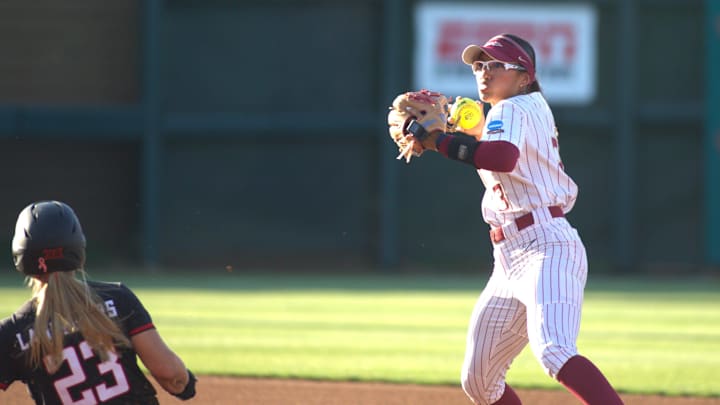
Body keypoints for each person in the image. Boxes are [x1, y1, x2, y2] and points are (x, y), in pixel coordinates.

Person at [405, 34, 624, 405]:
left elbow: (502, 158)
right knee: (479, 381)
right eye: (479, 65)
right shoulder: (513, 111)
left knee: (555, 351)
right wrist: (465, 132)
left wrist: (440, 141)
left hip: (546, 246)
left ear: (524, 76)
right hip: (510, 258)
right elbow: (495, 152)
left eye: (496, 65)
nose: (484, 72)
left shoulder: (513, 108)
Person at [0, 201, 197, 404]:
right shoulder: (117, 298)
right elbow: (170, 375)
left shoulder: (12, 333)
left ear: (21, 255)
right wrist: (186, 384)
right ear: (77, 248)